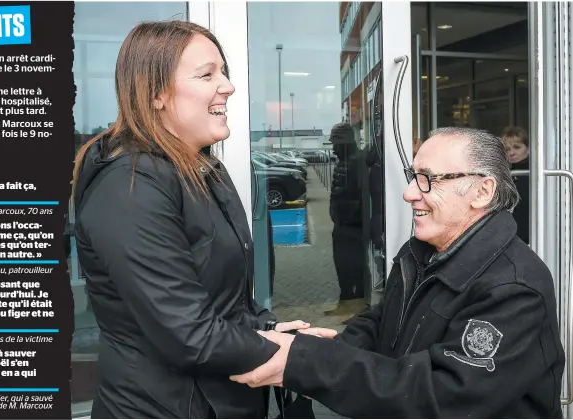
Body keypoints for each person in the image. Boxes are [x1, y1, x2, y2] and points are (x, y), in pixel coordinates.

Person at [231, 127, 565, 418]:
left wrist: (311, 364)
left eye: (428, 180)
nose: (409, 193)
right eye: (413, 175)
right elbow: (385, 320)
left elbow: (444, 396)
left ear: (482, 191)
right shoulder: (421, 251)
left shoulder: (514, 288)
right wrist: (332, 347)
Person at [70, 21, 309, 419]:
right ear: (156, 94)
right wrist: (295, 355)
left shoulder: (201, 168)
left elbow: (226, 304)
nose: (228, 86)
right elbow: (188, 334)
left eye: (224, 71)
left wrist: (272, 330)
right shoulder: (129, 188)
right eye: (206, 74)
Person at [327, 122, 368, 318]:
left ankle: (359, 307)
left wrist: (349, 217)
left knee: (356, 266)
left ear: (345, 143)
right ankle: (345, 302)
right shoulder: (343, 161)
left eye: (336, 143)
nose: (333, 148)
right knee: (342, 265)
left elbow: (362, 196)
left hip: (353, 226)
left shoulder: (358, 161)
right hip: (342, 224)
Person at [502, 126, 530, 244]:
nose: (511, 153)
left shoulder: (535, 175)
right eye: (507, 149)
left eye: (517, 147)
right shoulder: (507, 174)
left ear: (528, 148)